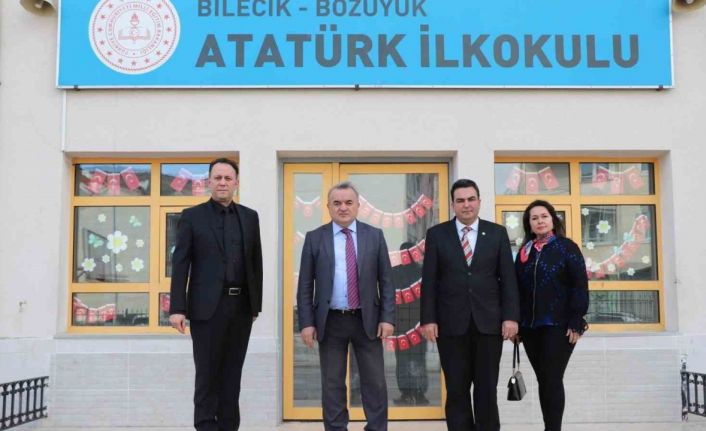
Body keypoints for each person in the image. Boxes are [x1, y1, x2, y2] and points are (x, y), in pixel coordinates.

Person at [169, 158, 263, 431]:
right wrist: (177, 308)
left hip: (241, 308)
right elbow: (181, 263)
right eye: (217, 178)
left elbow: (255, 262)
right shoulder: (192, 216)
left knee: (232, 376)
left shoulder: (250, 217)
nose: (222, 183)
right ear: (209, 181)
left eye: (228, 178)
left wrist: (254, 306)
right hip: (206, 309)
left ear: (236, 183)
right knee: (207, 376)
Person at [420, 178, 519, 431]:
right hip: (451, 325)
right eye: (460, 200)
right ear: (453, 204)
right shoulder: (437, 234)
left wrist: (510, 317)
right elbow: (429, 280)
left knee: (486, 389)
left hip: (489, 325)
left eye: (471, 199)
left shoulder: (496, 233)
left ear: (479, 201)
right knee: (456, 389)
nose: (466, 205)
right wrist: (428, 319)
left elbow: (508, 279)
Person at [297, 181, 395, 431]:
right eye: (337, 203)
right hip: (331, 321)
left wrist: (387, 317)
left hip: (367, 320)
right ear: (328, 207)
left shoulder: (374, 236)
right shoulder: (314, 238)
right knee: (332, 383)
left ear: (358, 205)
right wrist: (306, 323)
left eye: (348, 202)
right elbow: (305, 284)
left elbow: (386, 280)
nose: (343, 207)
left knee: (375, 382)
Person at [514, 200, 589, 431]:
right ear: (529, 224)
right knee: (544, 380)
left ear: (553, 220)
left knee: (552, 378)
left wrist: (576, 320)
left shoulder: (567, 247)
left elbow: (579, 285)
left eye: (544, 216)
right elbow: (516, 289)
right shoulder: (524, 251)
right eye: (534, 218)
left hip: (559, 326)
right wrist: (516, 323)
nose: (540, 221)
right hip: (530, 328)